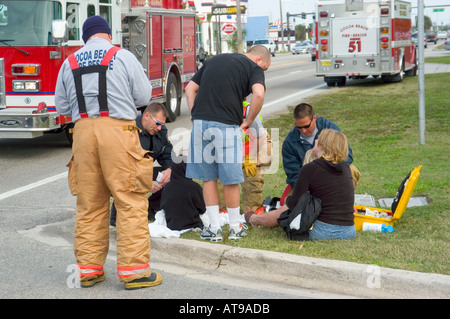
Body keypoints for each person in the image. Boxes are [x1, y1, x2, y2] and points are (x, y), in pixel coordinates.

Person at [55, 16, 161, 289]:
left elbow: (63, 106)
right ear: (107, 35)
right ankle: (135, 271)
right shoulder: (122, 56)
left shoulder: (70, 62)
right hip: (118, 132)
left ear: (85, 37)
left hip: (82, 134)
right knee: (129, 200)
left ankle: (88, 269)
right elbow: (143, 96)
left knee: (90, 203)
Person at [184, 45, 271, 242]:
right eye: (265, 67)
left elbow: (190, 88)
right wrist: (248, 120)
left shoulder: (214, 59)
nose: (263, 71)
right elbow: (258, 94)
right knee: (230, 179)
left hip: (200, 124)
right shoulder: (253, 68)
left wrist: (195, 115)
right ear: (259, 60)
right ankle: (234, 227)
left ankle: (214, 228)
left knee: (208, 178)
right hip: (226, 125)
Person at [245, 129, 357, 241]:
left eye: (319, 138)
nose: (315, 139)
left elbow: (292, 205)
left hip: (324, 232)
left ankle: (254, 219)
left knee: (286, 209)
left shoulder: (311, 168)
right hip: (349, 231)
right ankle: (256, 218)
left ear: (324, 145)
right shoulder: (346, 168)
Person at [110, 102, 173, 226]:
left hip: (143, 173)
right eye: (158, 124)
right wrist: (146, 184)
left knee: (175, 174)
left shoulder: (160, 131)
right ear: (147, 116)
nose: (159, 128)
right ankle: (116, 217)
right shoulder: (130, 131)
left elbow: (166, 152)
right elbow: (122, 168)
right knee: (126, 188)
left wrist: (169, 169)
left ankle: (151, 207)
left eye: (162, 124)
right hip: (124, 176)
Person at [282, 103, 354, 189]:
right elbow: (293, 175)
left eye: (306, 126)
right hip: (308, 185)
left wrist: (328, 178)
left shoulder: (329, 129)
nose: (303, 131)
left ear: (314, 118)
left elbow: (346, 155)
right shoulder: (290, 142)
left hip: (334, 177)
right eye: (299, 127)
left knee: (352, 170)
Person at [160, 156, 206, 231]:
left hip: (172, 225)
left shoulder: (167, 187)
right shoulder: (194, 187)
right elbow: (202, 209)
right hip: (193, 224)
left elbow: (162, 206)